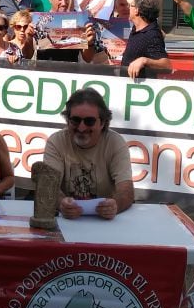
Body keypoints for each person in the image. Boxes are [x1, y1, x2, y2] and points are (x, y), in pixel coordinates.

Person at [41, 88, 133, 220]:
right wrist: (61, 203)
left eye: (89, 121)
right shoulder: (56, 141)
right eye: (75, 120)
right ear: (68, 120)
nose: (81, 128)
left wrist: (115, 206)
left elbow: (126, 190)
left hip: (104, 222)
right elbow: (48, 186)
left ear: (102, 123)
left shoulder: (115, 142)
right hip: (67, 222)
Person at [27, 0, 98, 63]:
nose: (64, 3)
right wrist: (28, 39)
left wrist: (90, 43)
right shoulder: (39, 21)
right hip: (45, 72)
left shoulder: (78, 21)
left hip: (70, 72)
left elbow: (87, 59)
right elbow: (28, 56)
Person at [120, 0, 171, 79]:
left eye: (130, 5)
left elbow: (166, 66)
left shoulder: (152, 35)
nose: (128, 8)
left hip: (139, 89)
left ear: (137, 10)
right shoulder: (136, 28)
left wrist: (144, 60)